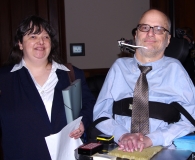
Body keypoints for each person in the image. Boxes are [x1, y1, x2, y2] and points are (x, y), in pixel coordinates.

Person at [93, 9, 195, 152]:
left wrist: (152, 138)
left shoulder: (176, 70)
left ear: (168, 40)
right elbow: (100, 114)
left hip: (164, 150)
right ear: (136, 35)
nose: (150, 33)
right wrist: (123, 135)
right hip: (120, 148)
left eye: (159, 29)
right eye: (145, 27)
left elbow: (191, 119)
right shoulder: (119, 67)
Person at [0, 15, 96, 159]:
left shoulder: (71, 74)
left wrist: (82, 122)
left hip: (66, 154)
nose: (41, 42)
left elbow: (89, 105)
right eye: (33, 36)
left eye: (46, 37)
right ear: (20, 43)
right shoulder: (4, 78)